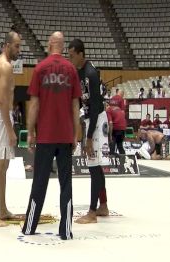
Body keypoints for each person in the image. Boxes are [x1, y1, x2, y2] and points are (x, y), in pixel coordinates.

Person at [21, 32, 80, 240]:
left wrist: (30, 132)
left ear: (49, 44)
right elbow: (75, 106)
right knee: (66, 184)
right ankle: (66, 230)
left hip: (45, 136)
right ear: (62, 47)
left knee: (39, 182)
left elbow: (34, 104)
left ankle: (30, 227)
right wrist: (76, 134)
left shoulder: (39, 68)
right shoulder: (71, 69)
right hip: (64, 136)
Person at [68, 38, 110, 224]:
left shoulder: (91, 74)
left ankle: (92, 212)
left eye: (71, 56)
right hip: (90, 118)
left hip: (97, 121)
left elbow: (94, 108)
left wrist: (89, 136)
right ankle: (104, 205)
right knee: (97, 165)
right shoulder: (78, 71)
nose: (70, 59)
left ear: (80, 54)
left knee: (93, 165)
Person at [0, 31, 21, 227]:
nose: (19, 50)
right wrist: (9, 129)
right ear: (7, 45)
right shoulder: (5, 66)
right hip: (1, 117)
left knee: (4, 166)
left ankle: (3, 209)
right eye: (16, 46)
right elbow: (1, 100)